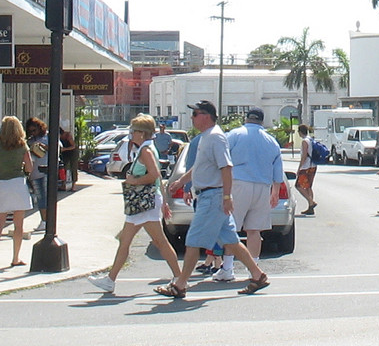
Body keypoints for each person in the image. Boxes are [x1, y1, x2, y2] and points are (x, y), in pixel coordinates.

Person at [154, 100, 272, 299]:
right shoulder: (206, 137)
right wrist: (181, 181)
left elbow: (226, 167)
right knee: (230, 240)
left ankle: (180, 285)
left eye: (195, 114)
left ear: (206, 116)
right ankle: (258, 275)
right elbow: (200, 166)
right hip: (209, 196)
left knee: (193, 241)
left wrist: (227, 197)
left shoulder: (216, 137)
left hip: (213, 197)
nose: (192, 118)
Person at [100, 114, 182, 295]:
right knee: (128, 240)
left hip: (144, 202)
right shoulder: (147, 148)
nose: (131, 133)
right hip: (146, 202)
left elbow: (154, 174)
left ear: (142, 133)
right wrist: (164, 201)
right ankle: (110, 280)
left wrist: (134, 181)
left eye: (134, 130)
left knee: (158, 241)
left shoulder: (145, 151)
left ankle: (179, 277)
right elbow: (158, 177)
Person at [226, 107, 286, 262]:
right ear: (262, 121)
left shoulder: (234, 135)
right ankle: (254, 266)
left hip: (238, 184)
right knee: (254, 230)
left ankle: (227, 267)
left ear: (246, 118)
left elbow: (222, 159)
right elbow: (277, 171)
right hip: (262, 187)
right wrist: (275, 192)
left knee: (231, 228)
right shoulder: (271, 141)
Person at [0, 115, 36, 270]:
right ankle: (15, 258)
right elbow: (29, 168)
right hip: (18, 184)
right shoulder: (22, 146)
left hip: (0, 185)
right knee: (18, 225)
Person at [24, 116, 49, 218]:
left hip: (45, 171)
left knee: (45, 197)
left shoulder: (47, 137)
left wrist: (43, 147)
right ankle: (44, 220)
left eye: (34, 130)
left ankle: (45, 220)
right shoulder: (29, 141)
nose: (33, 133)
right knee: (40, 197)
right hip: (34, 173)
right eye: (30, 131)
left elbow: (58, 149)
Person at [295, 123, 319, 215]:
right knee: (308, 186)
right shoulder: (311, 139)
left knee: (298, 186)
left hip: (306, 167)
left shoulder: (305, 141)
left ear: (300, 132)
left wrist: (299, 168)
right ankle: (310, 208)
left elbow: (304, 156)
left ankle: (311, 202)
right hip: (313, 166)